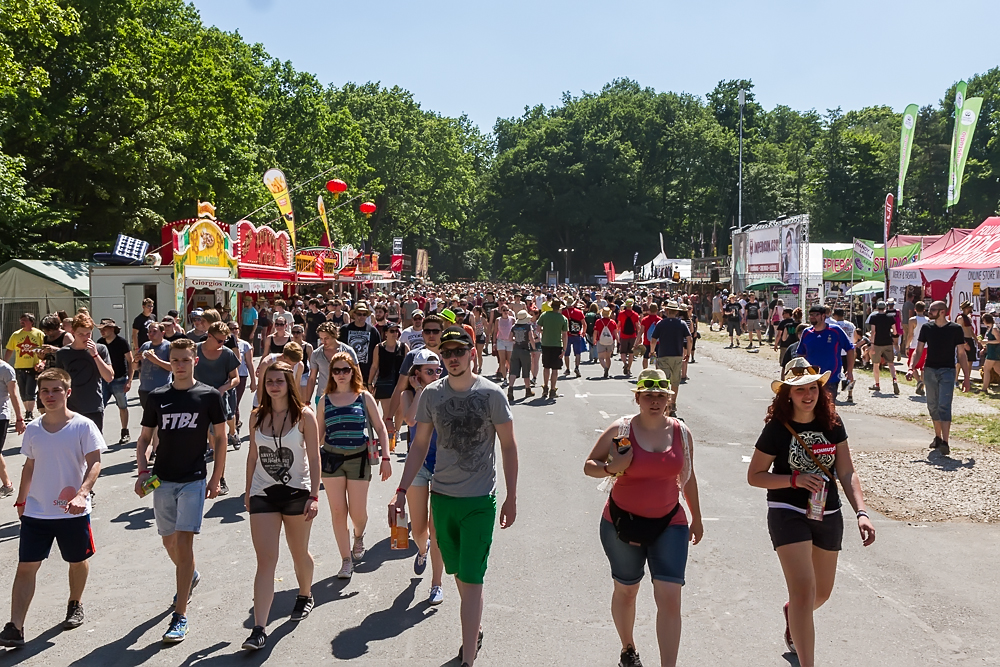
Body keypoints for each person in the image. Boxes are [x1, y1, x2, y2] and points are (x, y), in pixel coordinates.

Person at [388, 326, 518, 667]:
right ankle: (473, 629)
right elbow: (418, 446)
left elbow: (508, 445)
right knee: (459, 574)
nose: (453, 358)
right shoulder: (432, 394)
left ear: (472, 353)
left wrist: (512, 496)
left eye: (459, 351)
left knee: (472, 578)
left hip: (479, 501)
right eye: (447, 353)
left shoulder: (491, 394)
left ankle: (468, 656)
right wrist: (401, 489)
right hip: (442, 498)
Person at [747, 358, 876, 667]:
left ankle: (793, 614)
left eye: (812, 389)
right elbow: (755, 475)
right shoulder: (777, 429)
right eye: (799, 390)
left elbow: (846, 472)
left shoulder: (832, 422)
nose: (808, 395)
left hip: (827, 510)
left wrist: (861, 512)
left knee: (821, 594)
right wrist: (794, 479)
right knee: (805, 592)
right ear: (787, 394)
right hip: (786, 508)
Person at [583, 368, 702, 667]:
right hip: (622, 523)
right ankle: (628, 648)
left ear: (669, 399)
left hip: (669, 522)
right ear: (637, 397)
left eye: (661, 395)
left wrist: (696, 517)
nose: (655, 401)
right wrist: (612, 467)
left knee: (670, 597)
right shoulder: (621, 430)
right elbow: (590, 465)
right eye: (648, 395)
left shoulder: (681, 433)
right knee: (626, 590)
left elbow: (687, 477)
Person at [0, 368, 105, 647]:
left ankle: (75, 603)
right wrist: (22, 500)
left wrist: (83, 493)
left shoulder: (83, 426)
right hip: (37, 511)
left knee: (76, 561)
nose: (50, 395)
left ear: (67, 392)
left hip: (72, 510)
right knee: (25, 567)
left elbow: (95, 462)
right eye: (45, 391)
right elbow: (30, 465)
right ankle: (15, 627)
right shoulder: (34, 429)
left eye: (56, 390)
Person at [135, 337, 227, 643]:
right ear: (169, 363)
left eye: (185, 360)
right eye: (175, 361)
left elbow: (221, 438)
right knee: (169, 542)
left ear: (194, 361)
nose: (180, 365)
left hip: (193, 479)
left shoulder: (208, 396)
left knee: (184, 545)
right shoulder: (158, 397)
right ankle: (190, 575)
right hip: (162, 479)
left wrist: (216, 478)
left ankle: (180, 615)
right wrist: (143, 471)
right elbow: (145, 438)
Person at [241, 362, 322, 650]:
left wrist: (314, 495)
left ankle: (305, 593)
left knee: (299, 552)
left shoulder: (304, 416)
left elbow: (314, 458)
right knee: (266, 561)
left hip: (296, 493)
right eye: (269, 381)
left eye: (279, 381)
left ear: (289, 384)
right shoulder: (255, 416)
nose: (274, 385)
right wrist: (248, 490)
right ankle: (259, 628)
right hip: (263, 493)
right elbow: (252, 455)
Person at [320, 352, 392, 579]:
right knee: (338, 512)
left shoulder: (363, 397)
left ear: (353, 372)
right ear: (331, 374)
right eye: (336, 370)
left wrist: (386, 458)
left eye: (345, 370)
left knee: (358, 513)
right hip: (331, 461)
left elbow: (381, 428)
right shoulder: (324, 400)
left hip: (358, 459)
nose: (341, 375)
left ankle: (358, 536)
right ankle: (345, 560)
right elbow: (317, 436)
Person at [399, 349, 446, 605]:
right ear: (416, 374)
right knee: (419, 531)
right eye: (429, 371)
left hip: (442, 465)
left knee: (436, 529)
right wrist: (419, 391)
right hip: (417, 466)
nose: (436, 375)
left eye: (438, 370)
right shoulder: (409, 394)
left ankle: (436, 583)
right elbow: (409, 419)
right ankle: (421, 549)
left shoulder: (446, 391)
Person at [907, 300, 969, 457]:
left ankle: (946, 442)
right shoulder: (927, 328)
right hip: (929, 370)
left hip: (948, 371)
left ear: (942, 312)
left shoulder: (955, 329)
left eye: (933, 309)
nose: (929, 311)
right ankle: (937, 437)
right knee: (932, 405)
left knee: (944, 405)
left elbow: (961, 353)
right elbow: (918, 350)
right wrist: (911, 366)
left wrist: (966, 377)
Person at [53, 315, 115, 431]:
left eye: (88, 334)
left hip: (93, 407)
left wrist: (95, 355)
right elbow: (59, 382)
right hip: (70, 409)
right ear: (72, 332)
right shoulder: (63, 354)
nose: (85, 337)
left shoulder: (100, 349)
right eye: (81, 334)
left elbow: (109, 377)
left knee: (93, 446)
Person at [195, 322, 241, 469]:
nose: (222, 344)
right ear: (209, 336)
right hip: (197, 399)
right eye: (220, 341)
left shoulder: (227, 354)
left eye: (225, 341)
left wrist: (223, 388)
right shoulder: (195, 350)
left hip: (218, 400)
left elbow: (236, 378)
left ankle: (220, 477)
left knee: (218, 438)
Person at [795, 305, 854, 402]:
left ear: (823, 316)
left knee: (828, 406)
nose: (812, 317)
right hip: (811, 378)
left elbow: (850, 348)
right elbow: (800, 353)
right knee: (812, 406)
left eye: (816, 315)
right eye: (810, 315)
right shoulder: (807, 332)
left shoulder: (835, 330)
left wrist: (850, 370)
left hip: (831, 377)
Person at [649, 302, 692, 418]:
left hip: (663, 355)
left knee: (664, 381)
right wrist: (688, 353)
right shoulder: (682, 324)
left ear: (667, 311)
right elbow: (689, 339)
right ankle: (672, 403)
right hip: (677, 355)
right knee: (675, 381)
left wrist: (652, 352)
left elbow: (653, 339)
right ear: (677, 311)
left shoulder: (661, 323)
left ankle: (666, 404)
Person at [304, 321, 357, 406]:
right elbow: (312, 378)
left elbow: (357, 374)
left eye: (326, 338)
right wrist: (307, 401)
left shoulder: (348, 351)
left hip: (345, 395)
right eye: (321, 338)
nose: (323, 341)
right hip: (323, 396)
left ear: (334, 335)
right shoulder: (316, 353)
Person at [98, 319, 133, 444]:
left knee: (122, 406)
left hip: (119, 379)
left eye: (104, 329)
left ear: (112, 329)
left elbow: (130, 361)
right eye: (101, 329)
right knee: (99, 407)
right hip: (104, 380)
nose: (102, 331)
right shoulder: (100, 343)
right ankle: (97, 433)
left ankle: (125, 431)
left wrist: (129, 380)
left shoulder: (121, 342)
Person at [368, 321, 407, 433]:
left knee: (399, 411)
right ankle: (386, 434)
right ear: (385, 333)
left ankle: (397, 431)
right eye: (392, 331)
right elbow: (374, 366)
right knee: (388, 412)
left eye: (396, 331)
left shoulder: (404, 347)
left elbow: (409, 366)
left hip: (399, 381)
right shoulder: (379, 347)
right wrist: (370, 383)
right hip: (384, 382)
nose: (395, 333)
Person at [5, 313, 43, 422]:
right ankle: (27, 411)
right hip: (19, 367)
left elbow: (44, 350)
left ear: (31, 321)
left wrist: (42, 363)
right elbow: (9, 350)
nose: (22, 322)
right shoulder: (15, 335)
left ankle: (29, 413)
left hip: (33, 367)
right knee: (22, 391)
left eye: (24, 320)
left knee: (30, 390)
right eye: (21, 320)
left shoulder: (39, 334)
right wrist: (5, 363)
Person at [0, 356, 25, 496]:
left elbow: (14, 394)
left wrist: (19, 418)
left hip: (1, 416)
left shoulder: (5, 369)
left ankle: (7, 485)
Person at [537, 299, 569, 399]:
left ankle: (545, 387)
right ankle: (552, 389)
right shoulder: (563, 319)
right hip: (557, 344)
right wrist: (564, 349)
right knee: (555, 369)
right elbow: (564, 335)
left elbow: (538, 328)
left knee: (546, 367)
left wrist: (544, 332)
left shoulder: (544, 315)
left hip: (546, 343)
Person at [867, 301, 900, 394]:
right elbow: (895, 331)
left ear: (877, 307)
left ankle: (877, 384)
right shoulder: (890, 317)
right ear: (885, 308)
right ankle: (894, 379)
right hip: (888, 342)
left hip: (877, 343)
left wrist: (872, 344)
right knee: (891, 364)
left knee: (876, 364)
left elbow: (873, 332)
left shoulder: (874, 317)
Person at [229, 321, 256, 429]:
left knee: (235, 403)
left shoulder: (245, 345)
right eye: (231, 329)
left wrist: (253, 381)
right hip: (227, 377)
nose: (234, 331)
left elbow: (250, 363)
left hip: (241, 376)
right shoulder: (223, 343)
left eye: (236, 328)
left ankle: (235, 428)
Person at [508, 310, 536, 401]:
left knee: (513, 371)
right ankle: (528, 389)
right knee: (526, 370)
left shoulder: (514, 327)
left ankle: (510, 388)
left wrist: (516, 339)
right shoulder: (528, 326)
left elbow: (509, 338)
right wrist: (534, 349)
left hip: (515, 349)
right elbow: (531, 338)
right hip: (525, 350)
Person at [906, 301, 929, 396]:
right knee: (923, 367)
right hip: (925, 346)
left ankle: (919, 381)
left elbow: (910, 334)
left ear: (915, 309)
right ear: (924, 310)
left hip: (915, 345)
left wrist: (907, 345)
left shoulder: (912, 320)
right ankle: (921, 386)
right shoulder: (928, 320)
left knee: (912, 365)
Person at [956, 300, 979, 392]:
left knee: (970, 361)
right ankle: (955, 380)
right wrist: (964, 343)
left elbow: (970, 330)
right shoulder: (960, 318)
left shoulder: (968, 318)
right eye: (970, 307)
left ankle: (967, 379)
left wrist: (976, 340)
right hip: (964, 340)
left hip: (970, 340)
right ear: (966, 308)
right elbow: (958, 331)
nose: (971, 309)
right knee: (959, 362)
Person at [563, 299, 586, 378]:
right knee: (577, 353)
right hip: (577, 334)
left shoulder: (564, 313)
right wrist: (583, 332)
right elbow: (584, 324)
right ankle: (577, 367)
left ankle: (568, 369)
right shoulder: (579, 312)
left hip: (567, 335)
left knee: (566, 353)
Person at [617, 300, 641, 377]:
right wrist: (639, 337)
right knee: (631, 353)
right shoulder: (635, 315)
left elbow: (619, 325)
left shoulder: (621, 314)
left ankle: (625, 363)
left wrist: (617, 334)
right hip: (632, 336)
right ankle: (629, 369)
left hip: (623, 335)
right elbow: (637, 327)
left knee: (623, 352)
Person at [594, 307, 619, 379]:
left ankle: (605, 367)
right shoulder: (612, 322)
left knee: (601, 357)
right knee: (608, 357)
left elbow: (595, 331)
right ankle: (607, 369)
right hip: (610, 341)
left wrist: (594, 340)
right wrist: (618, 341)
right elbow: (615, 332)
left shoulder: (598, 321)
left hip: (600, 340)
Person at [492, 304, 515, 381]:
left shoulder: (512, 320)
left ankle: (510, 376)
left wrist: (515, 339)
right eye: (504, 310)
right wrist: (494, 343)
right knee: (502, 360)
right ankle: (505, 378)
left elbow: (515, 331)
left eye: (507, 310)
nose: (505, 312)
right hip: (500, 341)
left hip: (510, 341)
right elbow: (495, 332)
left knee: (509, 360)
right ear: (501, 311)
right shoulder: (498, 320)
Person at [980, 313, 1000, 395]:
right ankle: (984, 388)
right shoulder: (990, 328)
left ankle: (984, 388)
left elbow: (999, 340)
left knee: (986, 369)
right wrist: (984, 347)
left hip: (994, 352)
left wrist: (987, 342)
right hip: (992, 351)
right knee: (997, 369)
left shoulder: (994, 329)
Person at [639, 303, 661, 371]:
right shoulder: (660, 320)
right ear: (657, 310)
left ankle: (645, 371)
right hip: (657, 343)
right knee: (657, 359)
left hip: (647, 342)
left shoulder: (645, 320)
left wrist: (637, 342)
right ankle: (657, 372)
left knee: (645, 358)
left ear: (649, 310)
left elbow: (641, 332)